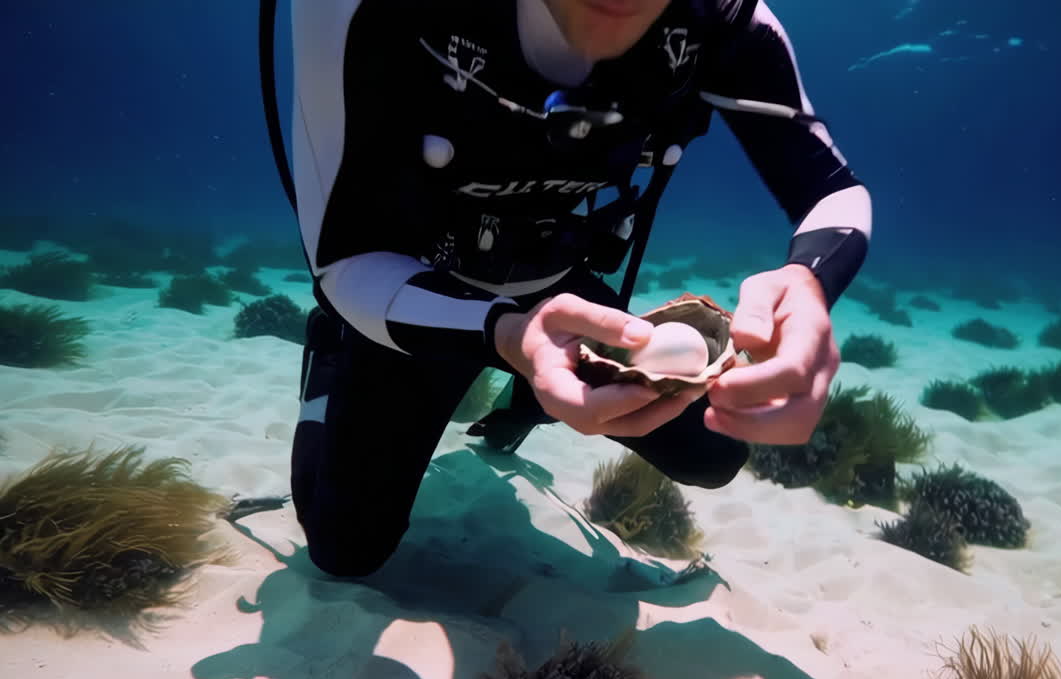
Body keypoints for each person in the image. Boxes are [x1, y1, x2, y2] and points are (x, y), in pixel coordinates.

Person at [283, 0, 872, 578]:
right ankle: (331, 351)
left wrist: (809, 278)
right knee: (345, 550)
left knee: (715, 451)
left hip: (557, 285)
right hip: (422, 289)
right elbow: (343, 263)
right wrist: (506, 335)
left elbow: (832, 190)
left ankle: (528, 397)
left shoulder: (718, 15)